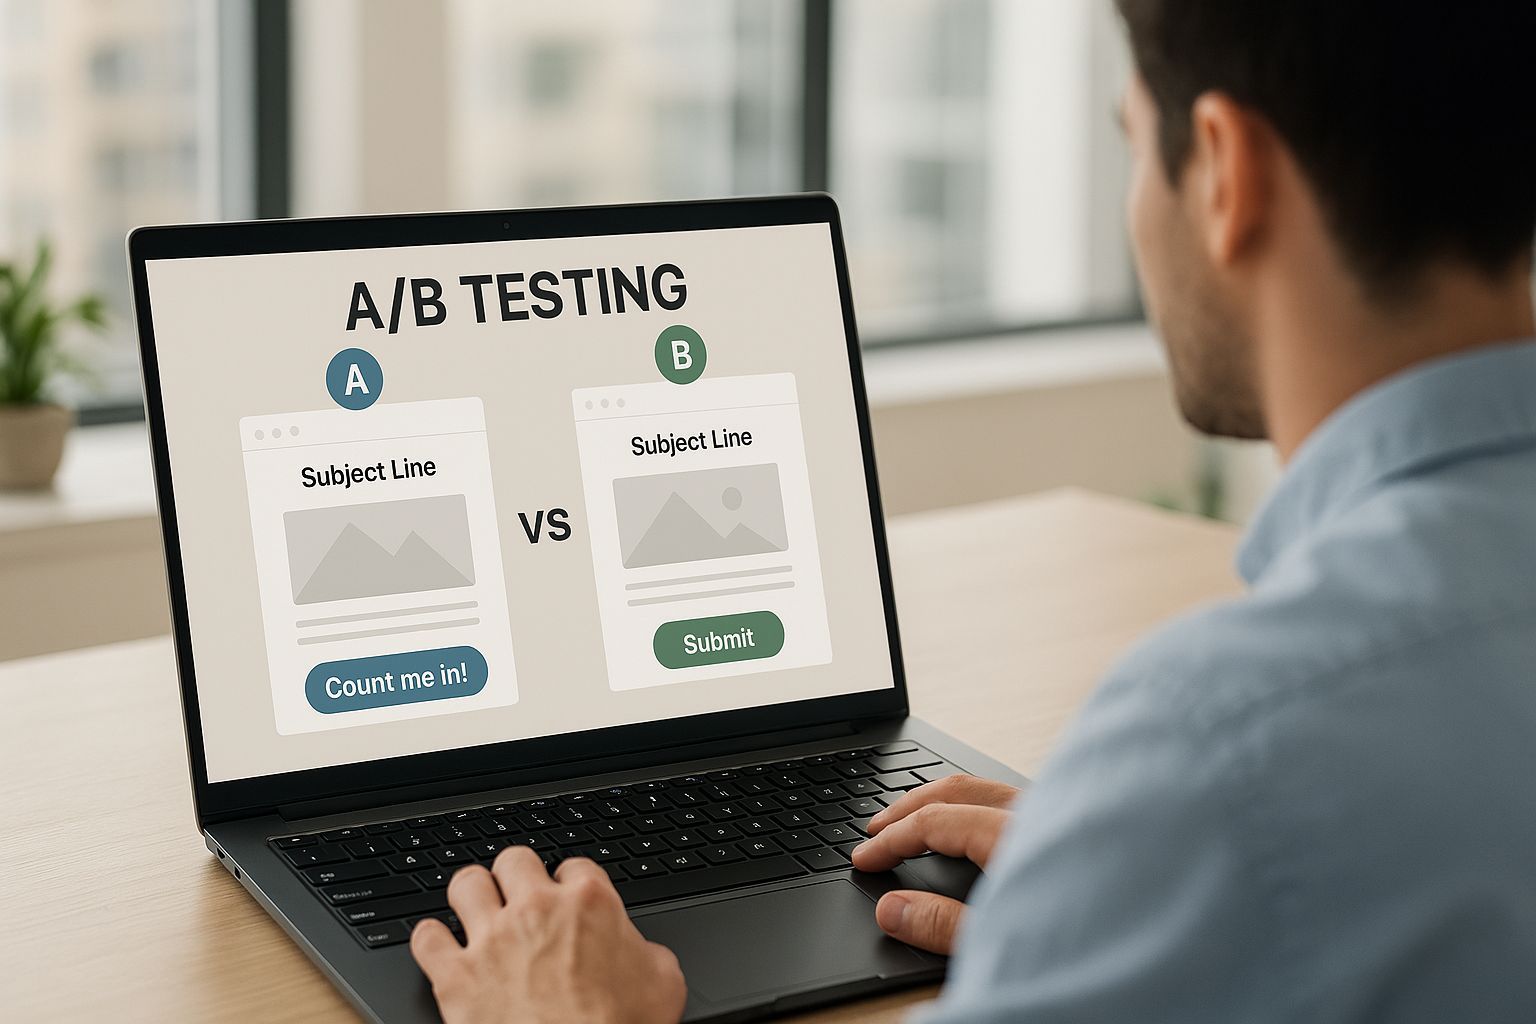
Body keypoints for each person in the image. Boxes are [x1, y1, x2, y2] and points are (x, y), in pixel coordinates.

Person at [409, 1, 1536, 1020]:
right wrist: (1121, 918)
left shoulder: (1221, 749)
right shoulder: (1231, 791)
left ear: (1227, 173)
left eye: (1133, 142)